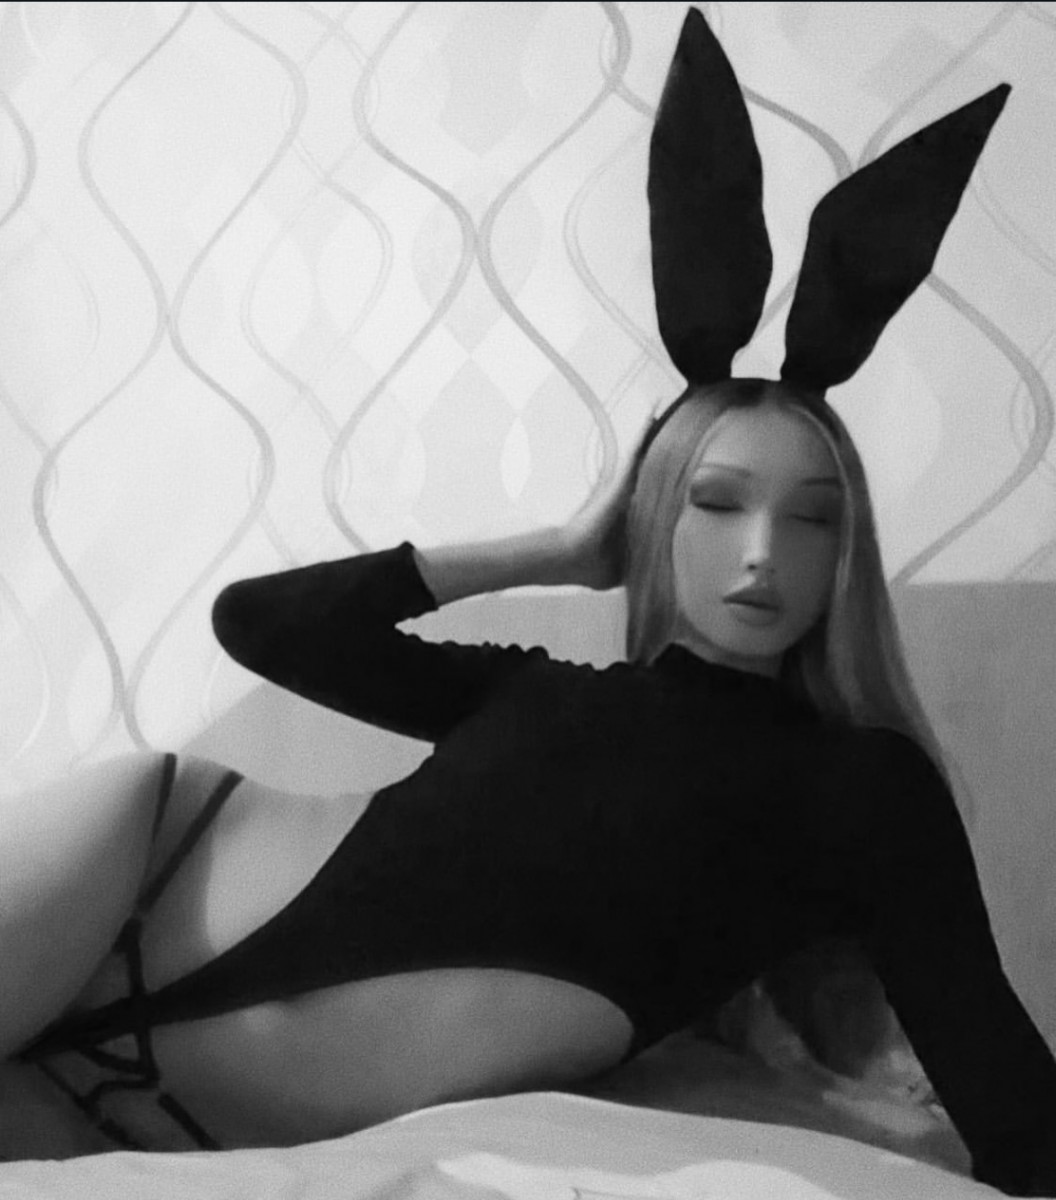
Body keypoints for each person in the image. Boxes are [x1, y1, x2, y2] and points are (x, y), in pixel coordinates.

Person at [3, 8, 1056, 1194]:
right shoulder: (529, 687)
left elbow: (1006, 1089)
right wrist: (558, 549)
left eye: (813, 519)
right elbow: (262, 624)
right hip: (145, 869)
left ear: (847, 551)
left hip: (193, 1129)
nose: (763, 554)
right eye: (715, 503)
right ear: (653, 518)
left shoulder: (864, 788)